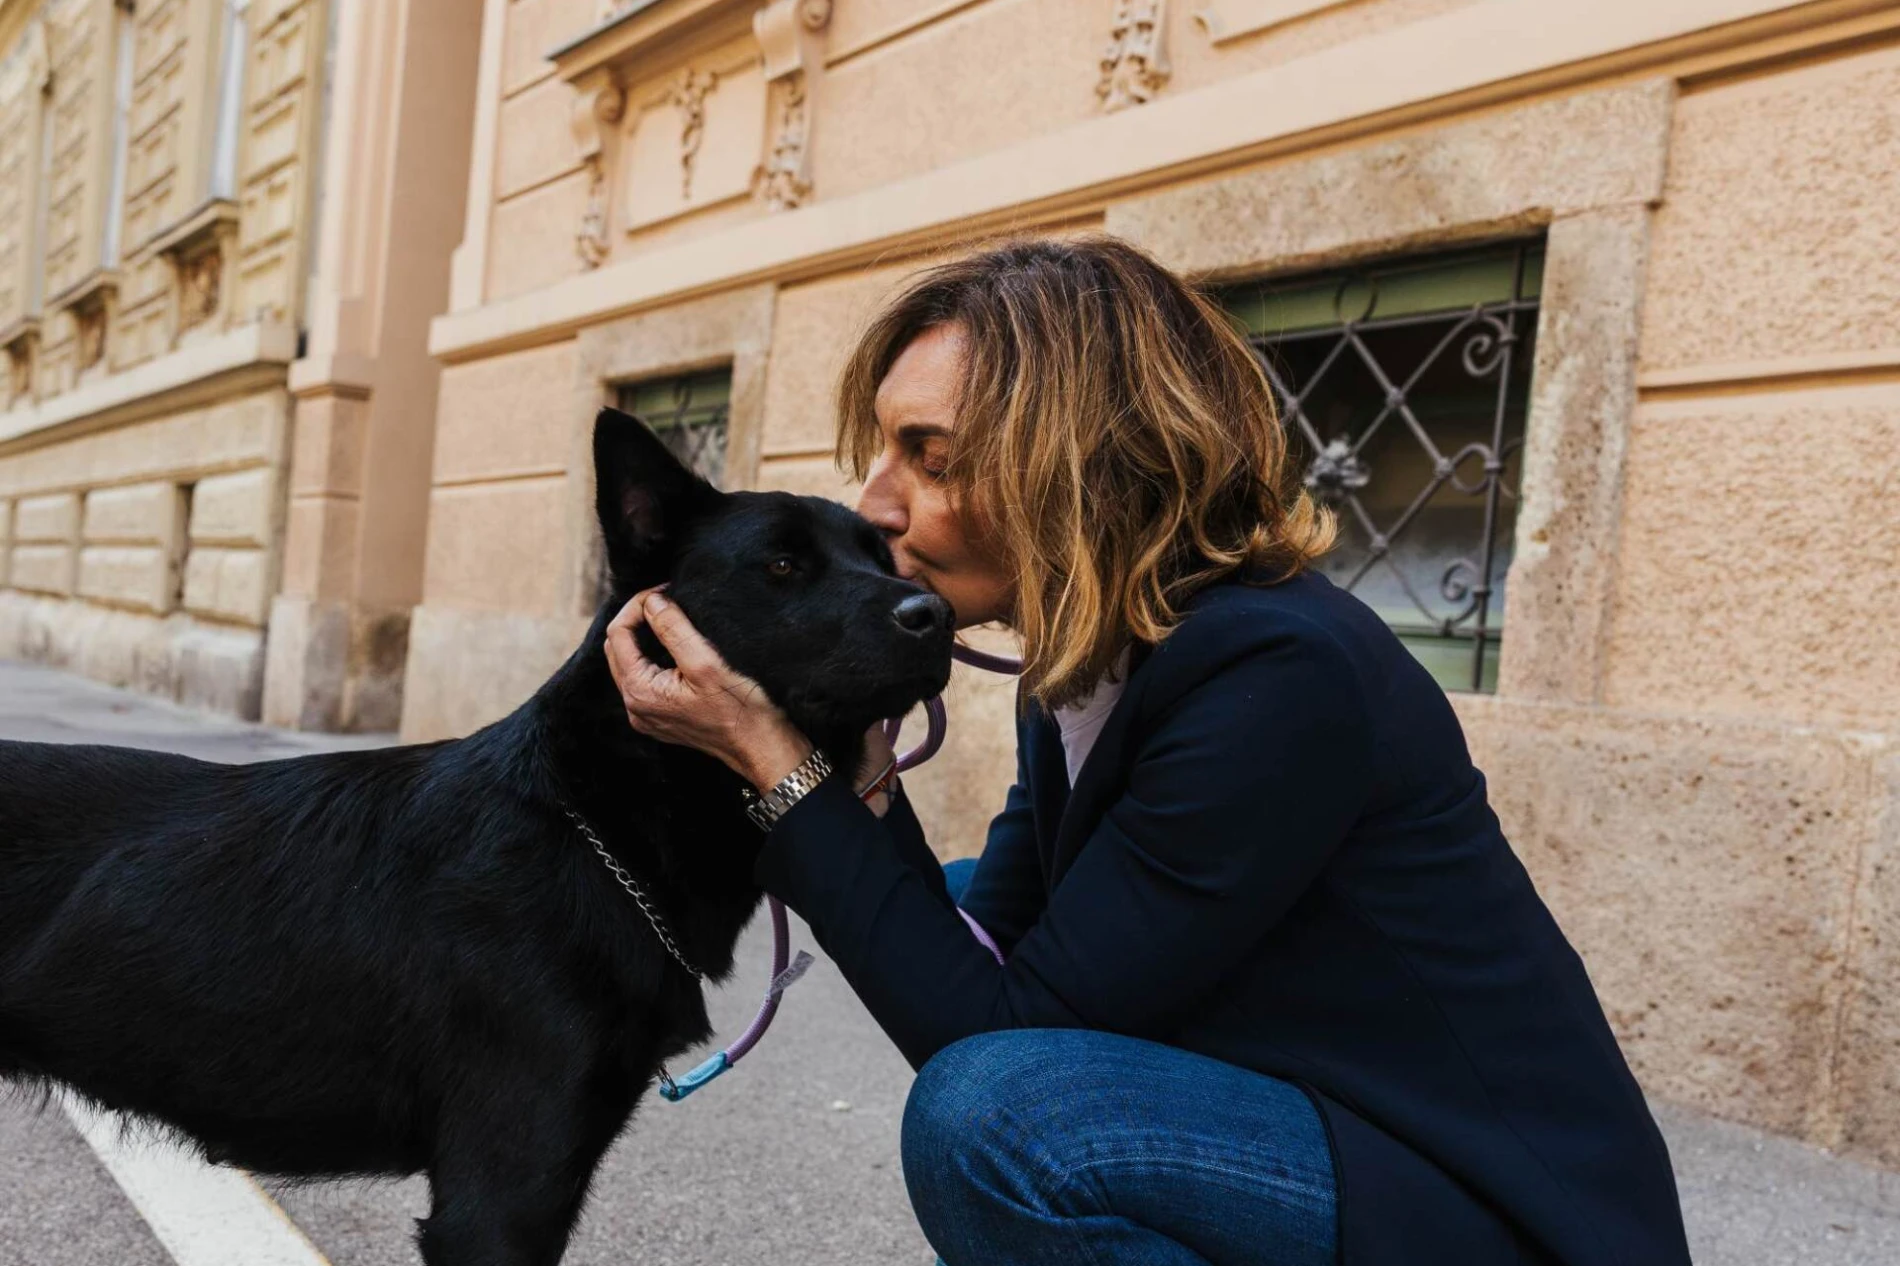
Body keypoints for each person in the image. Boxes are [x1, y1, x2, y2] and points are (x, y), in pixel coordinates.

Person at [603, 237, 1692, 1266]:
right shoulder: (1085, 663)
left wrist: (773, 761)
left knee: (1002, 1123)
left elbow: (989, 1036)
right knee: (966, 915)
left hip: (1483, 1205)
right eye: (879, 452)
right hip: (1320, 1132)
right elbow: (989, 947)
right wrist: (852, 771)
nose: (874, 502)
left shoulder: (1273, 671)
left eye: (927, 458)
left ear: (1081, 468)